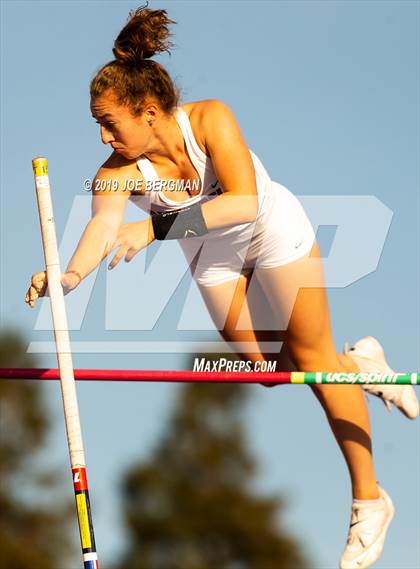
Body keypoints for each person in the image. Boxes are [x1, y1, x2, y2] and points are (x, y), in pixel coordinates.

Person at [25, 6, 418, 568]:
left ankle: (369, 499)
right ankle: (362, 365)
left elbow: (244, 202)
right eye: (98, 123)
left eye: (110, 122)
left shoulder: (210, 120)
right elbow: (104, 226)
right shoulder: (114, 172)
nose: (102, 134)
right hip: (211, 255)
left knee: (311, 359)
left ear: (151, 112)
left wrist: (157, 227)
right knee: (266, 373)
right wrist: (65, 277)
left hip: (271, 232)